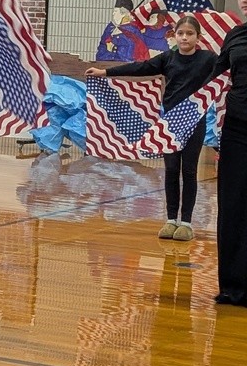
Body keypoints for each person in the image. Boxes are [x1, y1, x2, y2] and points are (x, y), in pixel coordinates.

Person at [87, 15, 216, 241]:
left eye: (190, 33)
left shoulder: (208, 59)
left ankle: (186, 222)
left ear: (198, 37)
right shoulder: (168, 58)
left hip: (195, 121)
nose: (185, 37)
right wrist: (104, 72)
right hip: (171, 124)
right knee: (172, 170)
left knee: (189, 171)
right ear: (174, 36)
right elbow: (140, 68)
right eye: (181, 33)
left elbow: (228, 72)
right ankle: (170, 219)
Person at [210, 0, 247, 306]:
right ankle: (232, 287)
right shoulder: (234, 36)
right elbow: (210, 72)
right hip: (236, 130)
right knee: (232, 206)